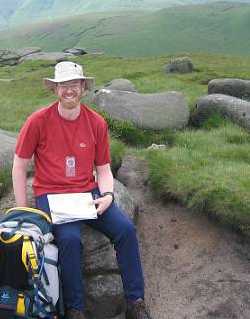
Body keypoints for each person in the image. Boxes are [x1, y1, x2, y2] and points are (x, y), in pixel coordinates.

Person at [12, 61, 151, 319]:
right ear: (55, 88)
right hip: (50, 195)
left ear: (83, 87)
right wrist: (23, 211)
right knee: (69, 239)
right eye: (63, 85)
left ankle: (136, 303)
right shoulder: (38, 121)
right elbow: (19, 165)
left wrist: (108, 196)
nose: (68, 90)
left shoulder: (96, 123)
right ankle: (75, 309)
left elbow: (104, 169)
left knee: (126, 231)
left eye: (74, 84)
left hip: (87, 194)